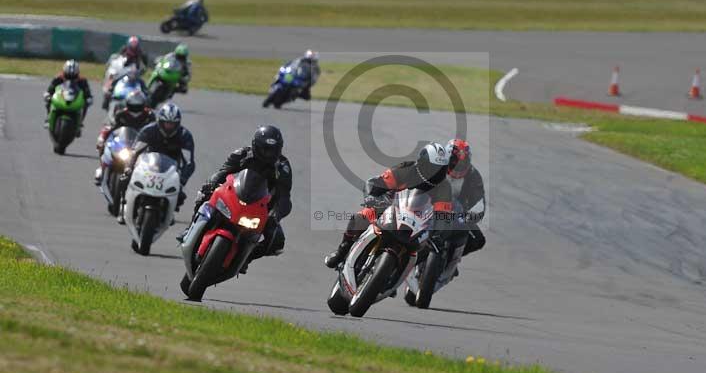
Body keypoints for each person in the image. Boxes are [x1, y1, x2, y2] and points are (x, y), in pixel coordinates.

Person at [324, 142, 454, 269]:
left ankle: (393, 282)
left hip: (419, 223)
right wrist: (372, 198)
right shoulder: (405, 169)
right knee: (362, 217)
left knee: (427, 250)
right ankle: (341, 251)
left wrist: (438, 234)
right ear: (422, 163)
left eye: (440, 169)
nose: (435, 173)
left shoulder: (444, 187)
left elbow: (443, 215)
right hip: (391, 208)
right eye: (432, 168)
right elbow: (375, 183)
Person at [183, 125, 292, 271]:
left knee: (277, 241)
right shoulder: (243, 154)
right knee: (204, 196)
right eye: (265, 149)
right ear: (256, 145)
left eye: (272, 150)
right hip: (234, 197)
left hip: (262, 209)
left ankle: (247, 257)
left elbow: (285, 197)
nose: (268, 154)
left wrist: (276, 215)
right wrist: (210, 184)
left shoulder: (283, 167)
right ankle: (190, 228)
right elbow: (223, 172)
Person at [117, 102, 195, 223]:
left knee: (180, 195)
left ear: (178, 123)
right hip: (148, 166)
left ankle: (170, 211)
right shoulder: (148, 131)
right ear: (160, 121)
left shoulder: (184, 136)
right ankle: (123, 207)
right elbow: (134, 152)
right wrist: (129, 168)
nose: (169, 127)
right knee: (124, 179)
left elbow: (189, 162)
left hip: (171, 171)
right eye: (166, 123)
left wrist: (182, 180)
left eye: (172, 124)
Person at [93, 90, 155, 185]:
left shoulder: (149, 115)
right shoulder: (121, 114)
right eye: (133, 105)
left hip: (140, 145)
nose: (135, 109)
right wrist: (102, 136)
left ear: (143, 105)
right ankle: (101, 168)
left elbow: (154, 130)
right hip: (124, 142)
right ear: (127, 104)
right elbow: (111, 127)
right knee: (104, 145)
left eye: (138, 106)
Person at [446, 138, 486, 258]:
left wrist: (469, 217)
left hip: (457, 215)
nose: (458, 167)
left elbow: (479, 203)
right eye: (454, 162)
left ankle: (450, 258)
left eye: (463, 163)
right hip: (429, 207)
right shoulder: (435, 165)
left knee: (478, 239)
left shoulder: (473, 175)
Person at [43, 59, 93, 134]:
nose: (71, 78)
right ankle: (48, 118)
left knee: (85, 104)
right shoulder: (59, 77)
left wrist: (89, 98)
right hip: (61, 96)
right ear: (64, 71)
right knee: (48, 101)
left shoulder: (82, 80)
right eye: (68, 75)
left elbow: (87, 91)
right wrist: (48, 94)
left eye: (73, 76)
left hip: (75, 98)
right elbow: (51, 87)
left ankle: (79, 123)